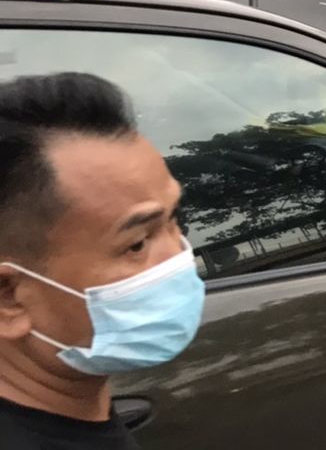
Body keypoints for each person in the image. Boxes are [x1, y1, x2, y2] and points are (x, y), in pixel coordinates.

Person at [0, 73, 205, 449]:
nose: (179, 254)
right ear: (9, 297)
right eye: (138, 244)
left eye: (174, 218)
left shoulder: (72, 411)